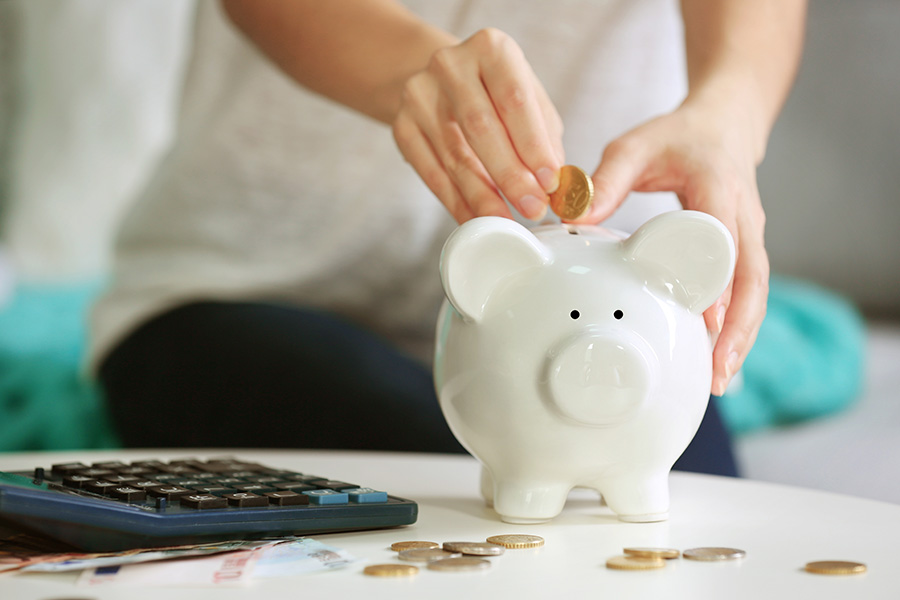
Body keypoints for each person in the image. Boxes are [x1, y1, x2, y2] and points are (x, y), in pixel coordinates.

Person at [90, 0, 806, 475]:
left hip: (623, 310)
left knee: (689, 503)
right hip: (245, 285)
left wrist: (729, 110)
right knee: (474, 486)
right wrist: (410, 69)